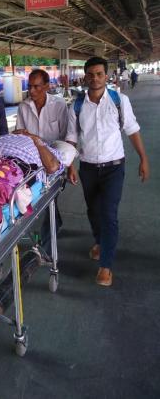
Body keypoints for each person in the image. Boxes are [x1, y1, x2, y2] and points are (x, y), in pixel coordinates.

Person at [66, 57, 149, 287]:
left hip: (114, 167)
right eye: (90, 74)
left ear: (106, 76)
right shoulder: (77, 105)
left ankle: (106, 266)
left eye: (99, 74)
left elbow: (132, 130)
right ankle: (100, 242)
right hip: (89, 168)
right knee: (93, 211)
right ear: (85, 77)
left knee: (109, 214)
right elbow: (71, 139)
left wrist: (143, 159)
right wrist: (69, 165)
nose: (95, 78)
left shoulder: (119, 101)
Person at [14, 68, 68, 256]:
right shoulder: (24, 107)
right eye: (30, 86)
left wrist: (70, 165)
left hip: (54, 160)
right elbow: (19, 134)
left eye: (37, 86)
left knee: (49, 199)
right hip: (33, 162)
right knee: (46, 200)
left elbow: (66, 138)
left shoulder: (59, 105)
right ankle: (55, 224)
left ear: (47, 86)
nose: (32, 91)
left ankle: (45, 249)